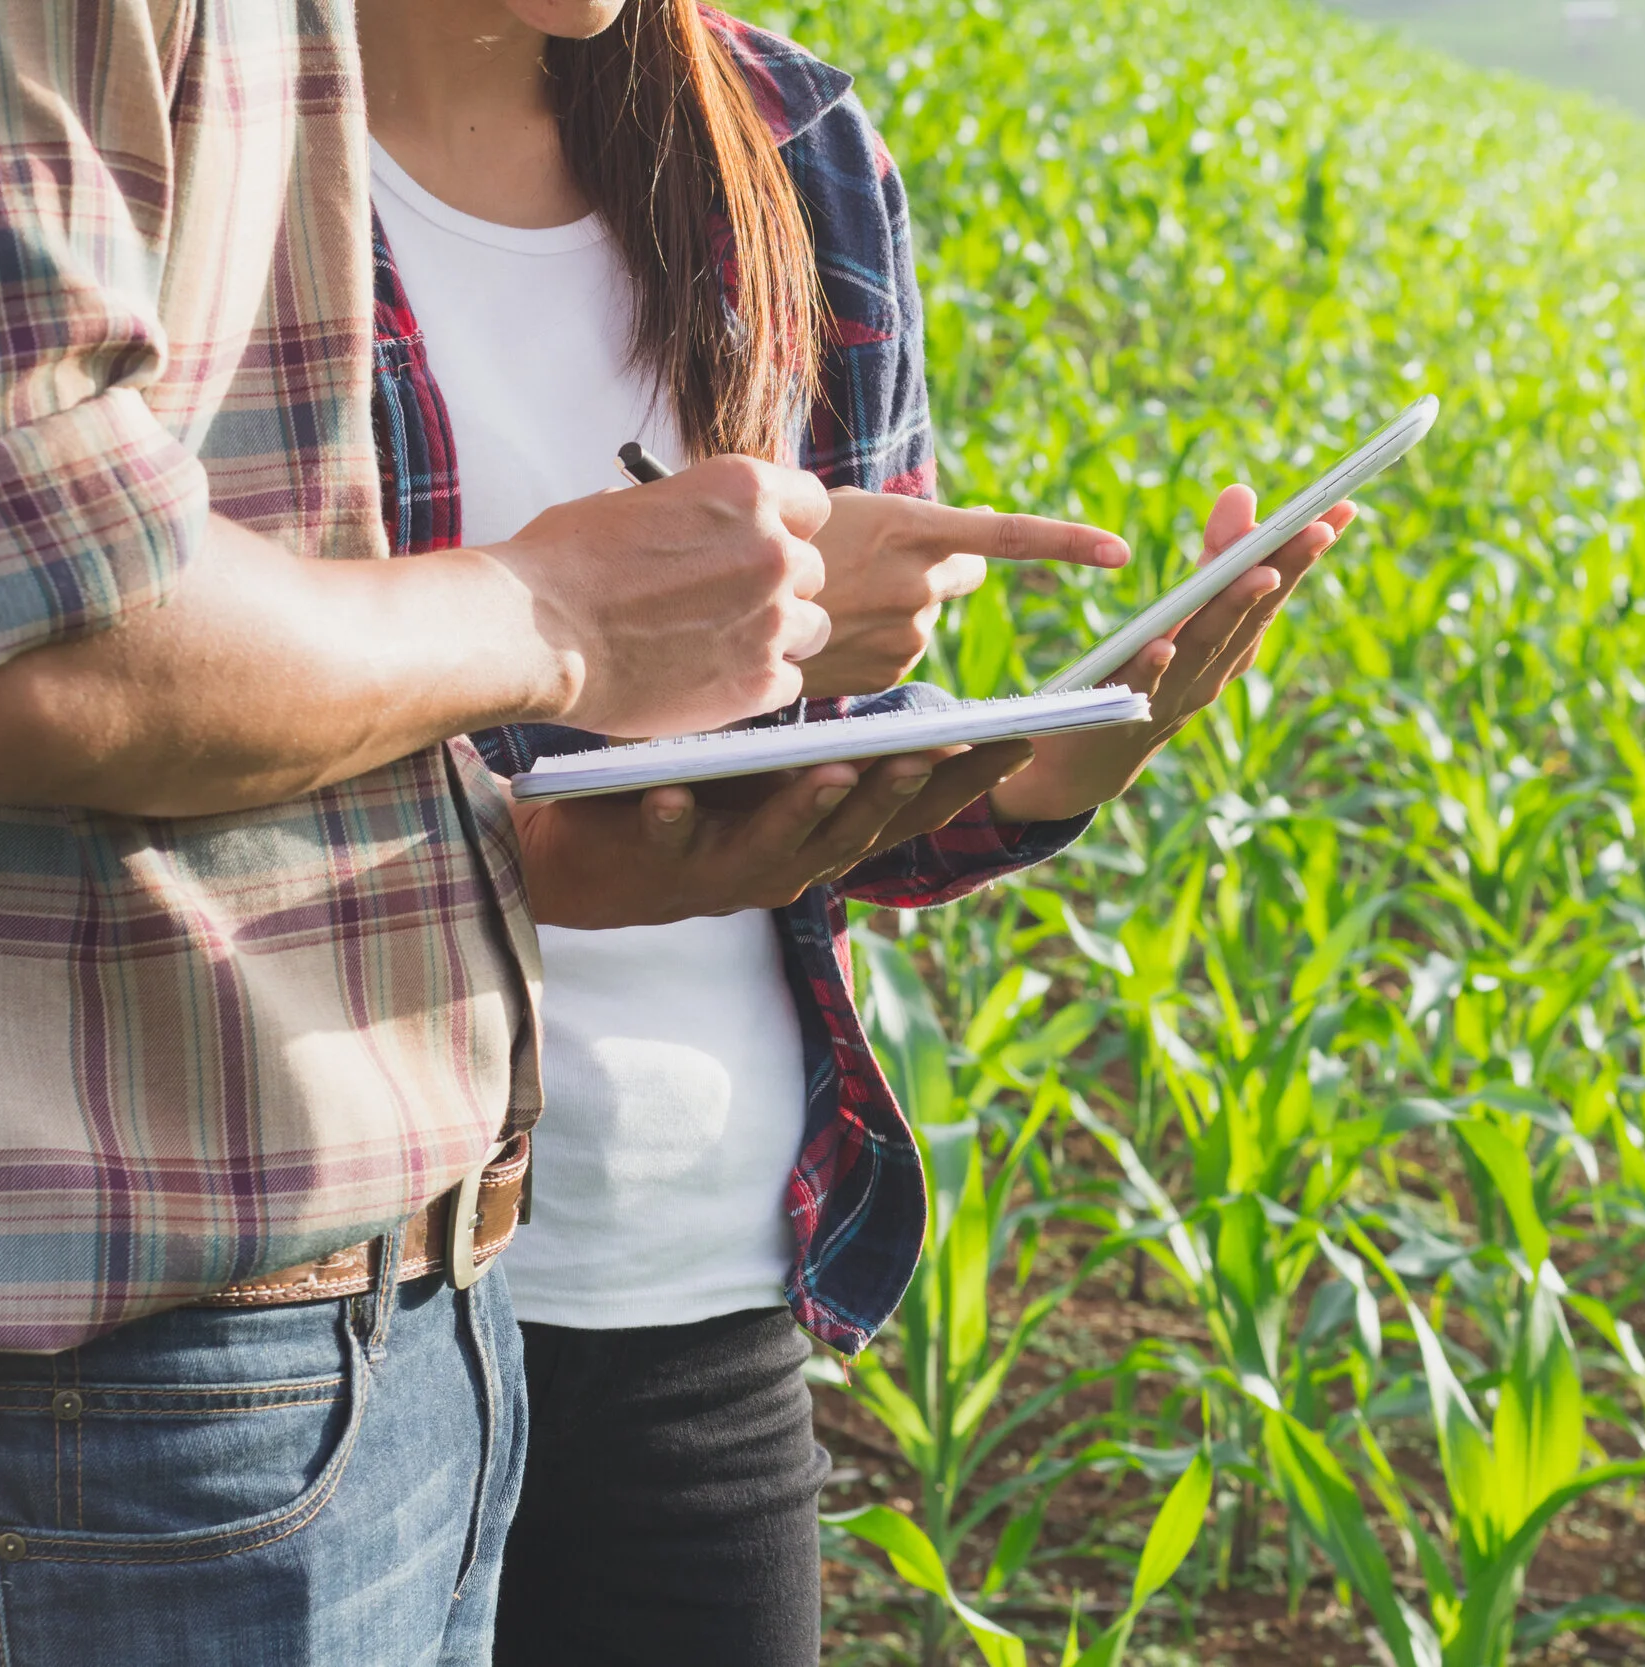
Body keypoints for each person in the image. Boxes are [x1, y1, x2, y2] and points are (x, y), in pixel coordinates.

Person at [355, 2, 1352, 1662]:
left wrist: (1044, 763)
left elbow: (824, 815)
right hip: (328, 1311)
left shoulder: (792, 148)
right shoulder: (205, 142)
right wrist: (577, 670)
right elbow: (153, 711)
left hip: (697, 1285)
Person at [0, 3, 863, 1663]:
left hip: (416, 1311)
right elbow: (21, 636)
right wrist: (555, 612)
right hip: (138, 1373)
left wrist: (519, 842)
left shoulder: (779, 141)